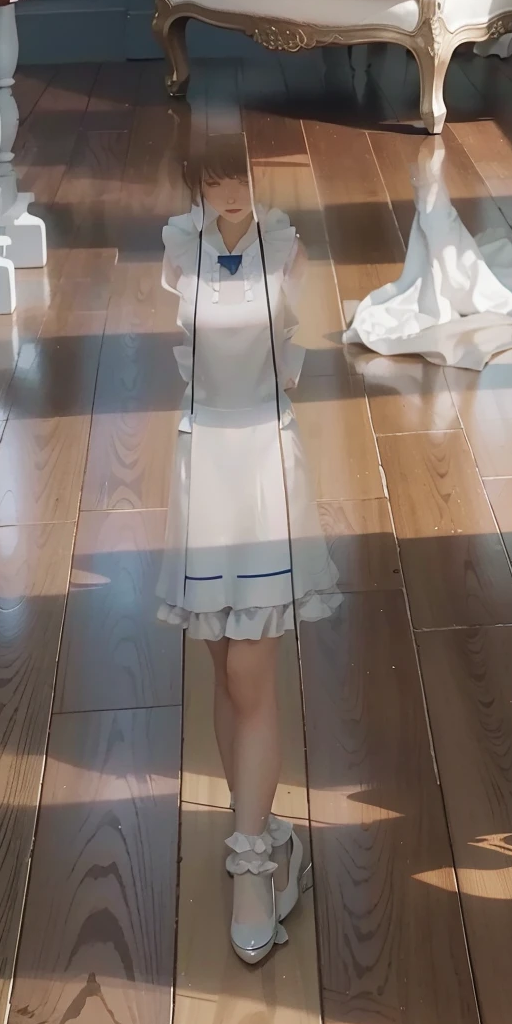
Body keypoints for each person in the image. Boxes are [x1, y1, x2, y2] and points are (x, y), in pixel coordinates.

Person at [158, 134, 340, 966]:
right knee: (221, 668)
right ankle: (258, 834)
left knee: (248, 671)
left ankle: (253, 860)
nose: (228, 188)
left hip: (263, 462)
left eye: (240, 172)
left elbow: (296, 355)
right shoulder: (176, 245)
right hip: (203, 468)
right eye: (213, 176)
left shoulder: (286, 244)